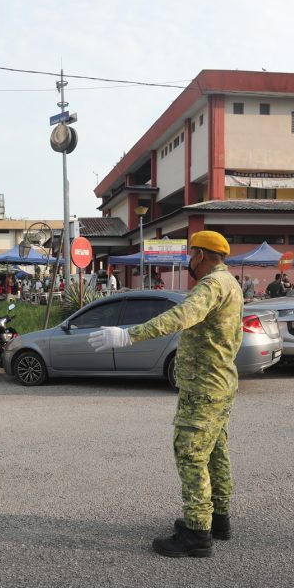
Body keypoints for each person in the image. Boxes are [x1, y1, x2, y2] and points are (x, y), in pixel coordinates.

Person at [88, 230, 243, 558]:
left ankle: (197, 534)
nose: (190, 261)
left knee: (190, 454)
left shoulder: (211, 285)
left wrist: (130, 336)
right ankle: (218, 520)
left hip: (203, 386)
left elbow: (181, 316)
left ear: (200, 255)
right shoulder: (231, 284)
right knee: (215, 452)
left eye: (192, 254)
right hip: (221, 381)